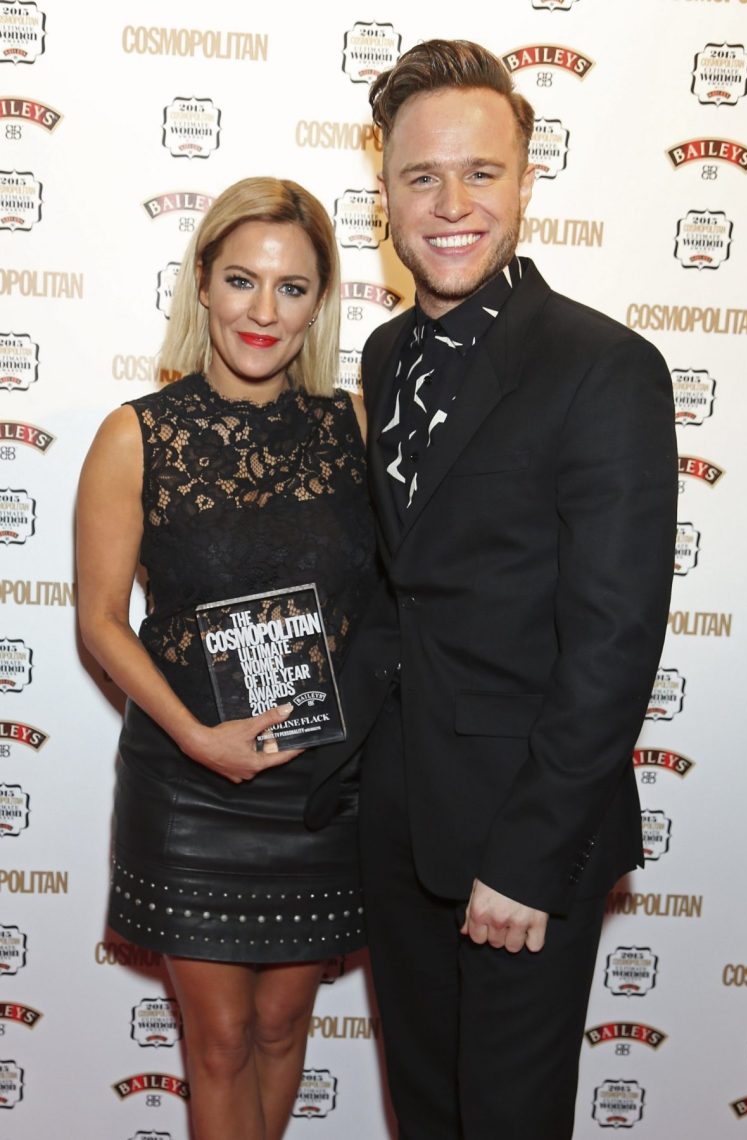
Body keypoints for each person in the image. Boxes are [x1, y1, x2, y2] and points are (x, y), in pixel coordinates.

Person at [305, 40, 678, 1139]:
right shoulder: (381, 356)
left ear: (524, 181)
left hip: (526, 836)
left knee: (506, 1120)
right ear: (385, 195)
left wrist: (527, 860)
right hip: (401, 821)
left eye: (481, 173)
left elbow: (613, 640)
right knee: (425, 1114)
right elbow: (403, 586)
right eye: (421, 177)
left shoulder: (602, 367)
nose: (451, 203)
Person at [76, 177, 377, 1140]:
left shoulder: (356, 430)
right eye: (241, 280)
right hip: (190, 785)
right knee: (217, 1042)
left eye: (292, 288)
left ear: (319, 300)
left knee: (287, 1025)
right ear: (201, 281)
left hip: (323, 784)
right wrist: (200, 739)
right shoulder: (137, 435)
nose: (262, 310)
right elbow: (101, 622)